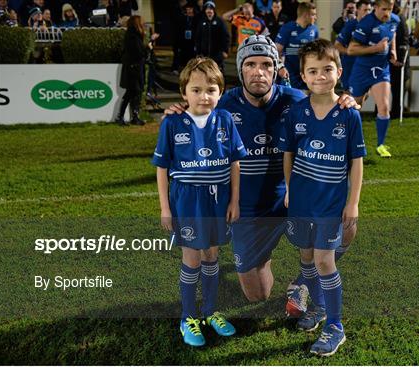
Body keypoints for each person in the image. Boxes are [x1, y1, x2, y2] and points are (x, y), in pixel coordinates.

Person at [164, 35, 359, 306]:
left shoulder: (295, 100)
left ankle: (304, 281)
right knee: (258, 295)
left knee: (347, 225)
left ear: (276, 68)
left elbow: (326, 100)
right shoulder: (224, 104)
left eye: (266, 64)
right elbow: (195, 109)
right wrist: (177, 111)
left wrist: (345, 100)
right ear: (240, 69)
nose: (259, 71)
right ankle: (264, 254)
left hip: (291, 200)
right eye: (250, 64)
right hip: (250, 212)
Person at [279, 39, 365, 356]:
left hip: (330, 203)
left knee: (324, 261)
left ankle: (335, 325)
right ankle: (317, 307)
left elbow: (356, 164)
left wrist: (352, 202)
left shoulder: (349, 115)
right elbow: (288, 155)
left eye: (327, 69)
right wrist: (289, 189)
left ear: (338, 72)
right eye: (312, 71)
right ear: (302, 76)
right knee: (306, 258)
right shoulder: (295, 113)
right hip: (301, 201)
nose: (320, 76)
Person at [152, 57, 246, 347]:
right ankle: (188, 317)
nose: (203, 96)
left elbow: (234, 163)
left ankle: (210, 311)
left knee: (211, 255)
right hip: (187, 200)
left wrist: (235, 201)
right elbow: (162, 168)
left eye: (210, 89)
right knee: (192, 257)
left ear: (220, 92)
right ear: (184, 93)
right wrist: (165, 208)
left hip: (217, 199)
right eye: (196, 90)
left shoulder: (226, 120)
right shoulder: (172, 122)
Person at [347, 0, 399, 158]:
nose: (387, 13)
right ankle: (346, 142)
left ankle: (380, 145)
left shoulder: (394, 20)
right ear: (375, 7)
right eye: (384, 9)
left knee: (384, 107)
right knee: (354, 109)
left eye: (389, 9)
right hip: (362, 71)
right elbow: (351, 49)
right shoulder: (366, 23)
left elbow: (392, 34)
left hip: (381, 70)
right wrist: (376, 48)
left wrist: (393, 50)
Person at [116, 15, 158, 126]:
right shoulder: (133, 36)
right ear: (137, 23)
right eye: (141, 22)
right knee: (131, 93)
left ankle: (134, 116)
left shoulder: (134, 35)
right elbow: (139, 53)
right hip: (133, 69)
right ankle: (121, 116)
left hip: (134, 68)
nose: (143, 24)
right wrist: (148, 48)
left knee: (135, 93)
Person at [275, 2, 319, 90]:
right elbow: (277, 50)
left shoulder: (314, 29)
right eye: (313, 15)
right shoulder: (287, 28)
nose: (316, 17)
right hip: (290, 73)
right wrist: (281, 67)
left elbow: (315, 50)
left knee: (307, 98)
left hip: (307, 72)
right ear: (305, 15)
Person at [335, 0, 372, 91]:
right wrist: (349, 52)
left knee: (364, 94)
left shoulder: (372, 26)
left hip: (366, 66)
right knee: (348, 94)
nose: (368, 13)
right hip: (350, 66)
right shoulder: (350, 25)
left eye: (369, 10)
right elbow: (337, 45)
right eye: (365, 10)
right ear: (358, 10)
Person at [194, 1, 230, 71]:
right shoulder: (201, 22)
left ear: (213, 10)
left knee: (218, 72)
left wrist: (225, 51)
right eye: (207, 9)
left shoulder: (220, 21)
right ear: (205, 11)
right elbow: (198, 38)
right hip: (204, 55)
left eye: (211, 9)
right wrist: (198, 53)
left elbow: (226, 37)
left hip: (217, 55)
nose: (209, 11)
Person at [389, 1, 410, 120]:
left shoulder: (399, 19)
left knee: (398, 89)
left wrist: (400, 59)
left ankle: (396, 112)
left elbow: (404, 41)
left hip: (398, 60)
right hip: (390, 59)